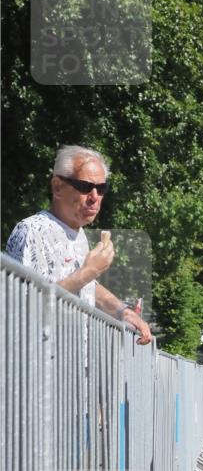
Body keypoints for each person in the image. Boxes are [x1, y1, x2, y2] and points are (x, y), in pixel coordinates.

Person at [5, 145, 152, 344]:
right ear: (57, 187)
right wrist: (89, 271)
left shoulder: (79, 234)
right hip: (38, 368)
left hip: (71, 369)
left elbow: (86, 285)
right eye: (84, 187)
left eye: (101, 189)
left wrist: (123, 312)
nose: (94, 197)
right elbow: (25, 307)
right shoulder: (31, 230)